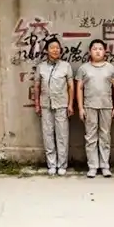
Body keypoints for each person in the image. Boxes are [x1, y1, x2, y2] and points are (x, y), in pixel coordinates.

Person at [76, 39, 114, 178]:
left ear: (105, 51)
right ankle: (92, 166)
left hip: (106, 106)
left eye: (100, 49)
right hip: (89, 106)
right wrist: (80, 108)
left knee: (105, 136)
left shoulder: (111, 68)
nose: (97, 51)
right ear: (90, 51)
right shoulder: (84, 69)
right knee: (90, 137)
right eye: (94, 49)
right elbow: (79, 88)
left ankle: (105, 165)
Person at [34, 38, 75, 176]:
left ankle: (62, 165)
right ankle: (51, 164)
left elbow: (71, 86)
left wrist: (70, 104)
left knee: (62, 135)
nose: (55, 50)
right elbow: (37, 86)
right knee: (48, 135)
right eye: (52, 47)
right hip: (45, 105)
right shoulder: (41, 67)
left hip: (61, 105)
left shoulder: (66, 66)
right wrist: (37, 104)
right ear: (47, 50)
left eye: (57, 48)